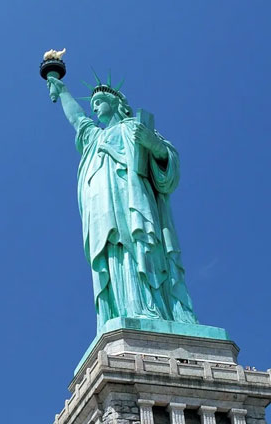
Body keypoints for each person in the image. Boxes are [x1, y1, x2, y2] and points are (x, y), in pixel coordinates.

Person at [47, 75, 198, 333]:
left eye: (98, 102)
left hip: (134, 202)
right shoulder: (95, 138)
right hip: (102, 209)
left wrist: (154, 145)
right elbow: (78, 119)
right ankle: (122, 310)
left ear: (116, 103)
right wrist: (62, 91)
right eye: (92, 104)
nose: (95, 108)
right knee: (113, 256)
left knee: (141, 248)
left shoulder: (134, 128)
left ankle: (153, 309)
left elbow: (167, 170)